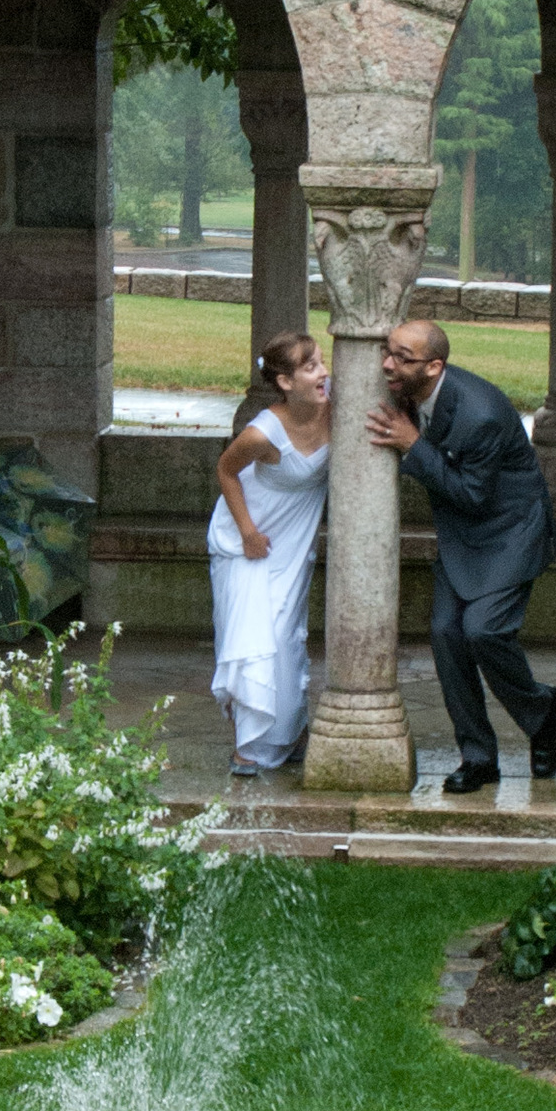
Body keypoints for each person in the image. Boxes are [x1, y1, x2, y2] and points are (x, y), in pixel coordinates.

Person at [366, 320, 556, 796]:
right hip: (463, 535)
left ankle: (541, 714)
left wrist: (413, 445)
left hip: (511, 531)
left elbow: (472, 495)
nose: (388, 365)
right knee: (445, 633)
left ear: (434, 367)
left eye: (402, 358)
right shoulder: (410, 389)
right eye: (387, 351)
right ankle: (478, 758)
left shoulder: (481, 415)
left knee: (485, 630)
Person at [207, 329, 331, 776]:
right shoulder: (262, 433)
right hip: (246, 539)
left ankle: (290, 733)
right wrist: (247, 533)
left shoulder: (334, 411)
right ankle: (247, 747)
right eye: (311, 366)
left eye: (321, 362)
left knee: (285, 638)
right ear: (284, 381)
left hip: (292, 538)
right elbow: (226, 470)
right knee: (251, 639)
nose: (324, 373)